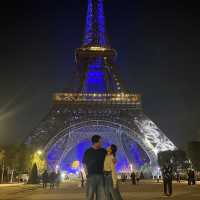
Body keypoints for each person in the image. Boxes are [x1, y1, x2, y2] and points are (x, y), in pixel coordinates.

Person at [82, 135, 107, 200]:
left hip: (101, 176)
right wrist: (87, 174)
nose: (102, 143)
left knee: (101, 196)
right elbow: (84, 164)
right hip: (91, 176)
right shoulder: (88, 152)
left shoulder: (104, 151)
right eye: (100, 142)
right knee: (89, 196)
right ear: (95, 142)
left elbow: (108, 161)